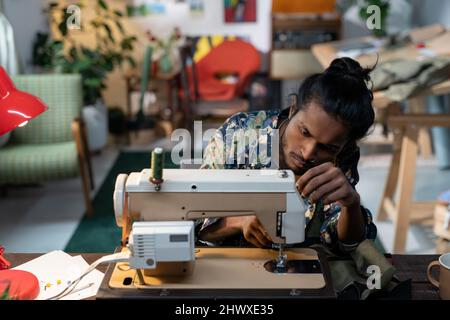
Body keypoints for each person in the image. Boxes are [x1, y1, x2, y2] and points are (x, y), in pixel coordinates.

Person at [197, 57, 377, 254]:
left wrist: (351, 205)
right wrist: (236, 221)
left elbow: (345, 244)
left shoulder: (342, 157)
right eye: (305, 132)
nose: (308, 153)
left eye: (328, 148)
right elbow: (192, 222)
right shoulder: (238, 134)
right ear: (293, 109)